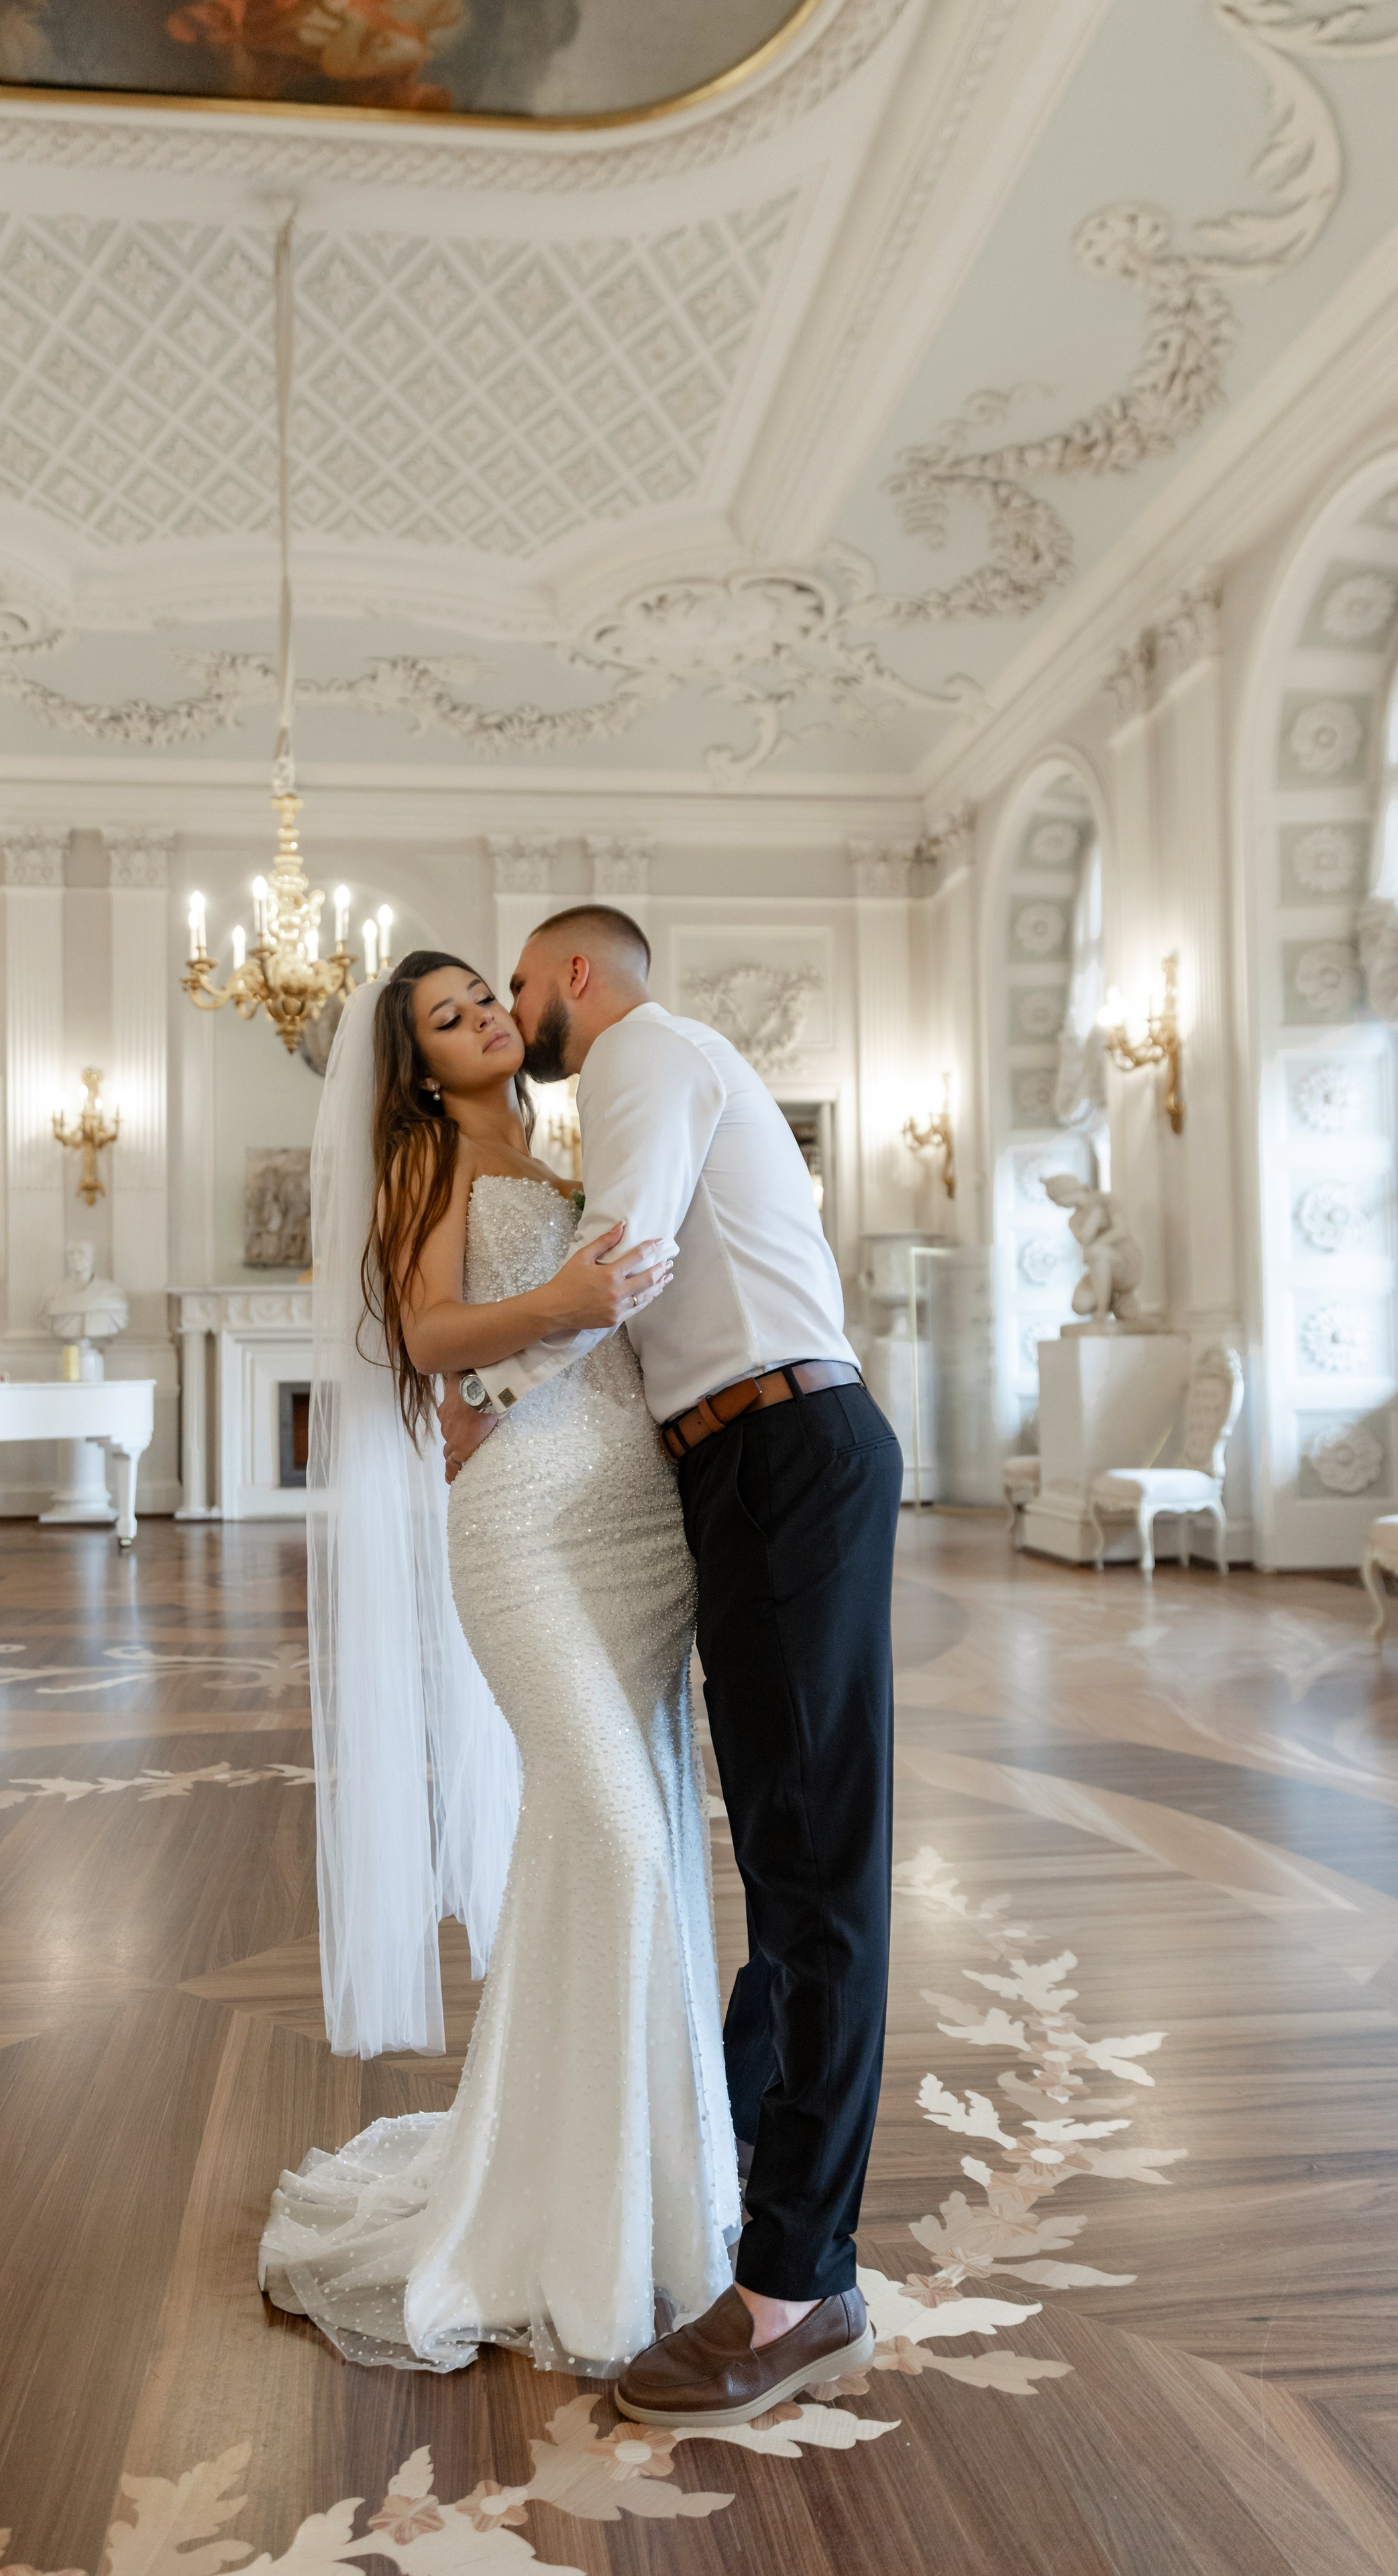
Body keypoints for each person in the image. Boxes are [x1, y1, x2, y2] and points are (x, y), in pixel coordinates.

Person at [441, 904, 900, 2430]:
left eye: (516, 990)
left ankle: (794, 2288)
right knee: (779, 1854)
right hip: (741, 1464)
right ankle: (746, 2194)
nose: (518, 1021)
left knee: (816, 1868)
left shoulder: (638, 1049)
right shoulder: (649, 1070)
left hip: (782, 1447)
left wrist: (494, 1387)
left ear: (575, 975)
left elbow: (617, 1261)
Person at [258, 951, 741, 2375]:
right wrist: (545, 1321)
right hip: (524, 1527)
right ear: (417, 1064)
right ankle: (543, 2214)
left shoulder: (575, 1145)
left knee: (631, 1834)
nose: (484, 1018)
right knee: (609, 1830)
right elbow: (419, 1334)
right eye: (449, 1016)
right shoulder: (424, 1165)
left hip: (640, 1519)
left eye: (485, 997)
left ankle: (648, 2201)